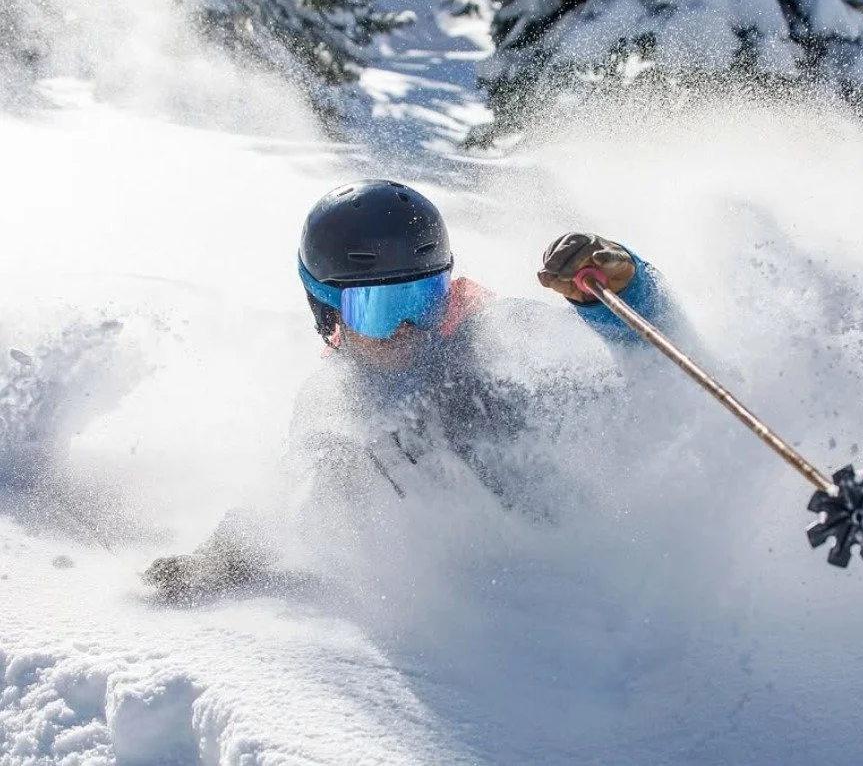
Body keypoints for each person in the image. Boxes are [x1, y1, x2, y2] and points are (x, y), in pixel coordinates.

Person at [143, 179, 690, 601]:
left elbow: (652, 368)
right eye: (379, 308)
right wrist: (221, 558)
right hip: (496, 611)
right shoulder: (334, 400)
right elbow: (286, 490)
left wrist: (622, 291)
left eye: (424, 298)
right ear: (327, 309)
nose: (406, 327)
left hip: (607, 574)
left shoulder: (500, 336)